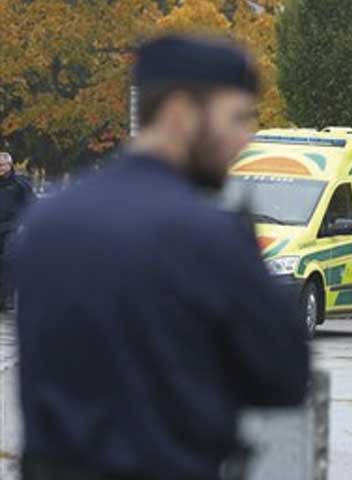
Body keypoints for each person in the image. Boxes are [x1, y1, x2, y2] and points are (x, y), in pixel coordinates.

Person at [13, 35, 310, 480]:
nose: (244, 139)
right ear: (180, 112)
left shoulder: (46, 220)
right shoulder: (209, 234)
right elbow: (284, 378)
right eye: (238, 118)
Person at [0, 151, 36, 310]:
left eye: (2, 165)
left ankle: (6, 297)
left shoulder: (20, 183)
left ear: (10, 165)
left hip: (12, 227)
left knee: (8, 259)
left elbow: (32, 203)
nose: (0, 168)